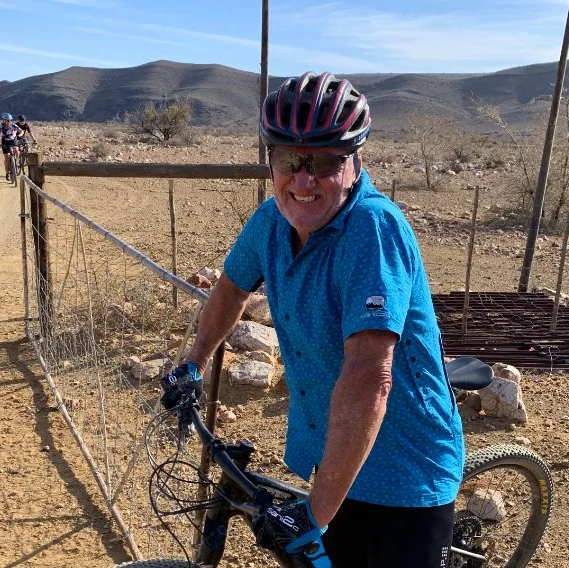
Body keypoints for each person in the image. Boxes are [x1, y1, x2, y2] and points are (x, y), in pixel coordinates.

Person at [160, 71, 463, 567]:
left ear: (356, 161)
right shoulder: (272, 220)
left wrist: (313, 517)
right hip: (336, 449)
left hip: (405, 465)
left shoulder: (373, 229)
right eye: (289, 159)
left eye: (324, 161)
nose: (303, 180)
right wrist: (192, 362)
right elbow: (232, 288)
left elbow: (370, 378)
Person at [0, 112, 23, 181]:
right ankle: (7, 173)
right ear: (4, 120)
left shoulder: (14, 125)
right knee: (6, 158)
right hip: (5, 141)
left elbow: (21, 131)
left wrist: (19, 135)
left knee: (16, 150)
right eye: (8, 120)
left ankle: (16, 162)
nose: (9, 122)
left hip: (13, 140)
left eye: (10, 120)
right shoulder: (1, 126)